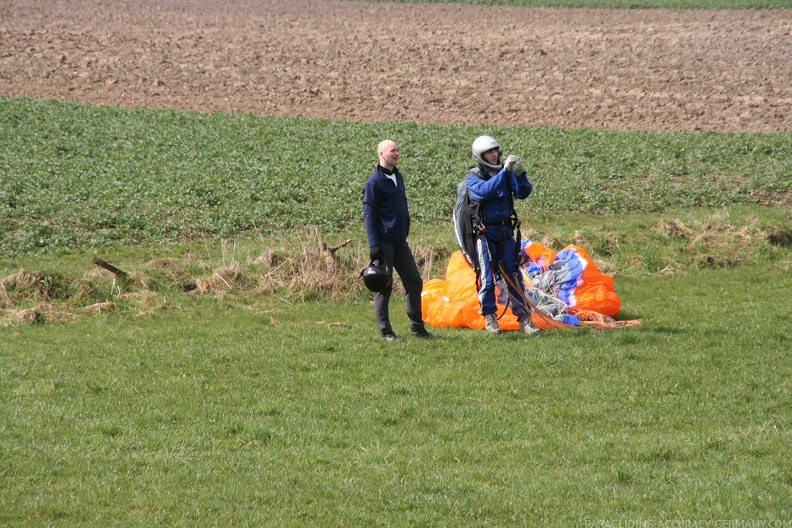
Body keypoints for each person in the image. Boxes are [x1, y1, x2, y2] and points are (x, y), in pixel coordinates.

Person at [466, 135, 539, 335]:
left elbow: (523, 193)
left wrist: (520, 174)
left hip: (506, 233)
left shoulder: (507, 175)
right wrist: (504, 172)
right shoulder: (473, 177)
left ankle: (525, 320)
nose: (493, 155)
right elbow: (484, 192)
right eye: (488, 152)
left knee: (514, 275)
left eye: (495, 151)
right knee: (487, 277)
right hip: (485, 234)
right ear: (480, 156)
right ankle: (490, 318)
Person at [363, 139, 433, 342]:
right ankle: (386, 332)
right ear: (381, 154)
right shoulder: (373, 183)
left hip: (400, 241)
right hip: (383, 243)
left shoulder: (398, 177)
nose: (397, 154)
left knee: (414, 281)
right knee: (383, 285)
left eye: (397, 150)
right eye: (392, 151)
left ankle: (417, 328)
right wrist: (373, 245)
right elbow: (369, 215)